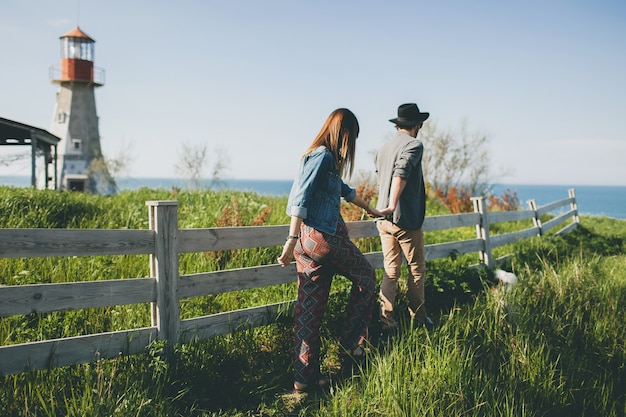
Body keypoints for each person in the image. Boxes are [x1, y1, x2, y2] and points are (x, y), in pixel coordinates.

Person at [278, 108, 383, 393]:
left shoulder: (318, 158)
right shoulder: (323, 156)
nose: (351, 146)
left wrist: (372, 210)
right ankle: (351, 346)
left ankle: (304, 378)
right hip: (322, 237)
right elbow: (300, 197)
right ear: (344, 133)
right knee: (366, 277)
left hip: (307, 244)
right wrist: (290, 239)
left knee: (310, 310)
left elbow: (344, 190)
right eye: (353, 138)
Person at [374, 103, 434, 336]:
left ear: (398, 124)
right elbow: (401, 173)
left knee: (391, 271)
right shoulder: (414, 145)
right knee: (416, 270)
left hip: (383, 219)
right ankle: (418, 320)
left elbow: (382, 179)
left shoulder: (383, 148)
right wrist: (393, 204)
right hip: (404, 219)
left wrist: (385, 208)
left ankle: (387, 323)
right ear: (416, 124)